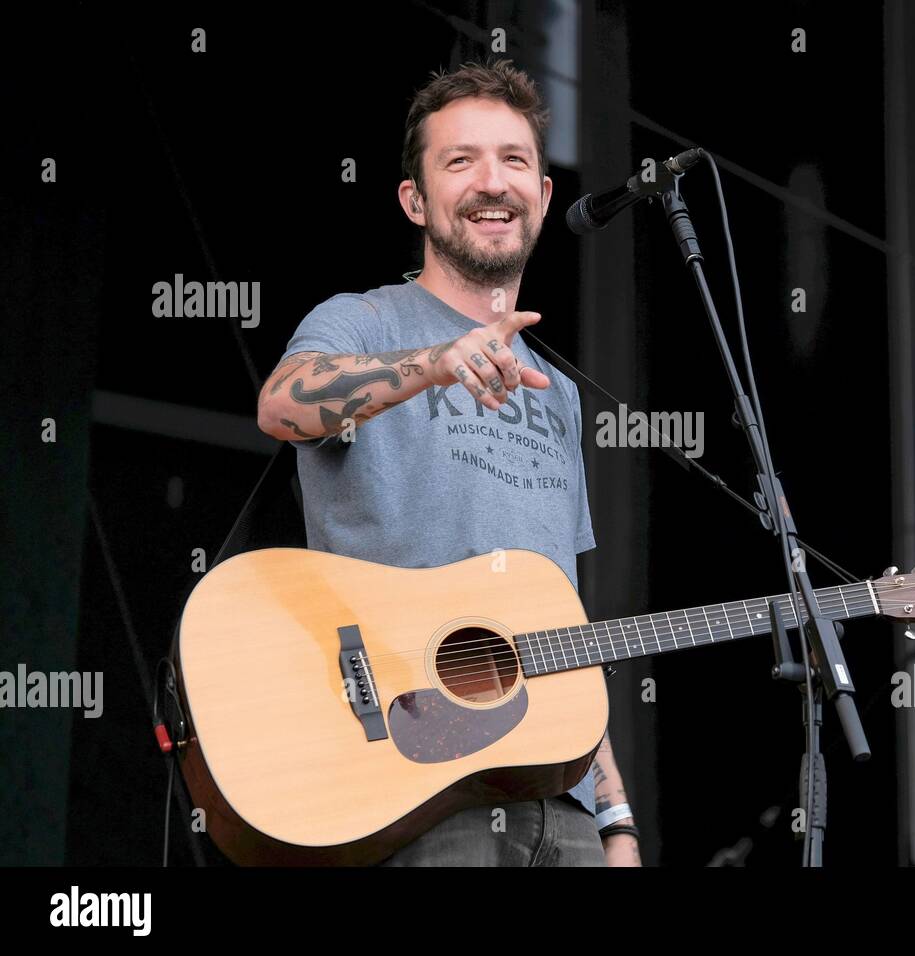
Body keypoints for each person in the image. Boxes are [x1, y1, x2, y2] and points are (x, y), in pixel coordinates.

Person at [255, 59, 639, 866]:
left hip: (556, 805)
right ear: (415, 200)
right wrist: (434, 362)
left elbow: (558, 624)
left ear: (540, 194)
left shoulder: (561, 397)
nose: (491, 182)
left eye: (514, 160)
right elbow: (282, 405)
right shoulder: (361, 319)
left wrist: (615, 819)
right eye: (459, 162)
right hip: (411, 781)